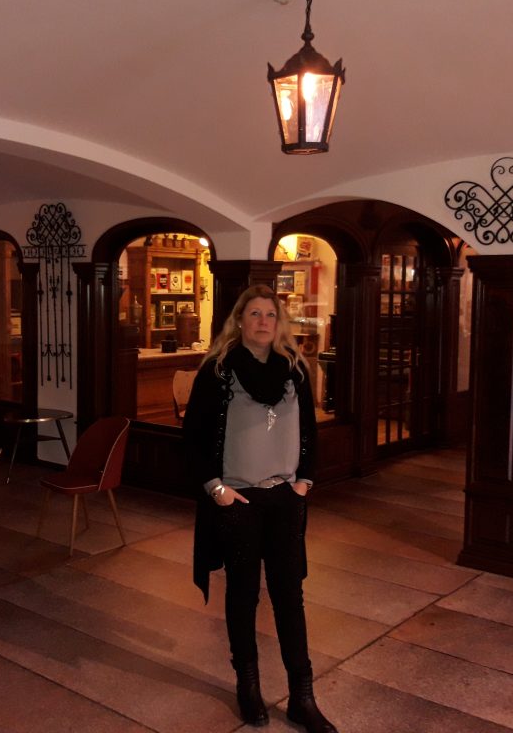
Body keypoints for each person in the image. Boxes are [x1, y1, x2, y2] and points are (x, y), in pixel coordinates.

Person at [184, 284, 337, 733]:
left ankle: (303, 697)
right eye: (254, 313)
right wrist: (216, 489)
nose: (263, 321)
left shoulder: (296, 370)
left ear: (279, 321)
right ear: (239, 320)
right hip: (238, 500)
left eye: (270, 314)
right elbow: (193, 437)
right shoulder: (217, 370)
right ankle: (248, 686)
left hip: (285, 499)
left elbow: (309, 431)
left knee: (290, 596)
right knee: (243, 593)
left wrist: (305, 481)